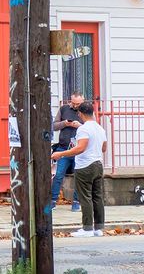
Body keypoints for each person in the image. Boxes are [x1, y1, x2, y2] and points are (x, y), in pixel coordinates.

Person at [52, 101, 107, 238]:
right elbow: (104, 148)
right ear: (93, 112)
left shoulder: (83, 129)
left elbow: (80, 148)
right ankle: (99, 228)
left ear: (80, 114)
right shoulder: (100, 128)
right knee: (97, 196)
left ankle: (87, 228)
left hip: (85, 165)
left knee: (85, 197)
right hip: (98, 164)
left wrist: (61, 153)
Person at [51, 92, 85, 211]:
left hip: (80, 149)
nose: (75, 106)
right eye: (73, 103)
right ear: (70, 100)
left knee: (78, 176)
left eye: (78, 104)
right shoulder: (64, 109)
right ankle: (53, 201)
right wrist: (64, 123)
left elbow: (92, 127)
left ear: (83, 101)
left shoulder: (86, 110)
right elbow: (54, 126)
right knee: (58, 175)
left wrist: (79, 126)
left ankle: (76, 202)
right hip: (63, 147)